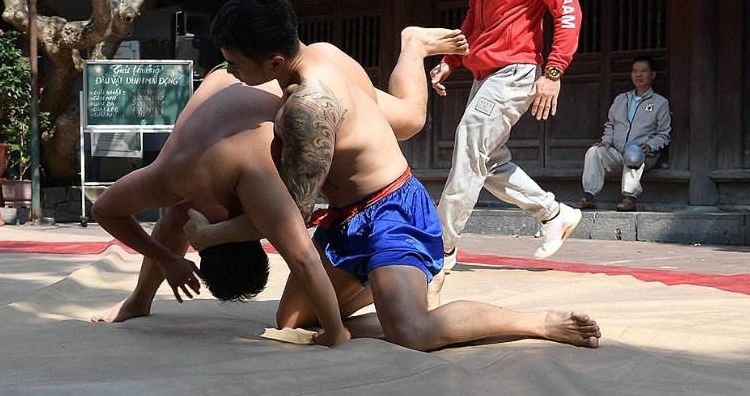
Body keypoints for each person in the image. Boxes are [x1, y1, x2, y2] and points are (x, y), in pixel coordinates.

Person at [201, 0, 601, 351]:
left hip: (393, 212)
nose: (230, 74)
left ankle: (538, 322)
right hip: (345, 216)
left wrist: (209, 234)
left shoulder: (308, 108)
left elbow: (287, 219)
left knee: (412, 332)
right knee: (291, 322)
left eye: (235, 65)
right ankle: (400, 289)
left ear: (273, 62)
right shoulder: (322, 51)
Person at [90, 23, 469, 348]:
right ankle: (138, 301)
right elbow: (111, 210)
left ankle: (413, 43)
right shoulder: (170, 179)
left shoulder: (243, 177)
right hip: (237, 69)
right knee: (181, 215)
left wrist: (336, 331)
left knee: (409, 120)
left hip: (282, 73)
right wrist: (169, 261)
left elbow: (299, 251)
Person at [429, 0, 584, 271]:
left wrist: (554, 72)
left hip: (516, 70)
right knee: (489, 160)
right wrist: (453, 58)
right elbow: (475, 19)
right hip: (485, 73)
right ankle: (554, 215)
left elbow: (568, 10)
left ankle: (441, 246)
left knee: (468, 144)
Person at [576, 56, 671, 212]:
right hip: (617, 153)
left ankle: (630, 197)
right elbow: (610, 125)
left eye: (643, 71)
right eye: (635, 71)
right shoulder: (621, 99)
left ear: (653, 75)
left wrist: (650, 145)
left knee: (633, 151)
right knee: (594, 151)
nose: (638, 75)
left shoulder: (660, 103)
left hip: (643, 154)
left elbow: (663, 134)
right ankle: (589, 196)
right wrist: (606, 141)